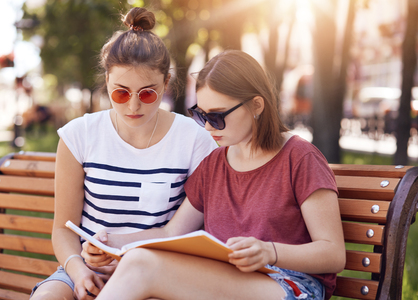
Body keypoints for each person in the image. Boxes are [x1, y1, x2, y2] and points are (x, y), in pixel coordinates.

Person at [82, 50, 346, 300]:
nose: (208, 126)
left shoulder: (300, 158)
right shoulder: (215, 164)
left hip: (291, 285)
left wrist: (270, 252)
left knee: (142, 265)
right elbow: (171, 232)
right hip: (230, 281)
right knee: (136, 263)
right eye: (201, 114)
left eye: (218, 116)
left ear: (256, 105)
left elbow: (333, 254)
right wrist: (108, 243)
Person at [29, 7, 217, 300]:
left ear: (166, 83)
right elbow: (63, 229)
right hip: (86, 267)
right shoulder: (79, 135)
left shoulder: (193, 139)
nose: (133, 106)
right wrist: (79, 273)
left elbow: (190, 230)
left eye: (147, 93)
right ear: (107, 82)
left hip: (157, 273)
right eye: (121, 93)